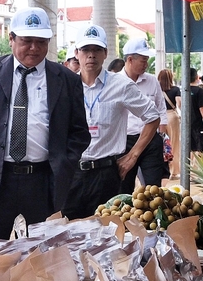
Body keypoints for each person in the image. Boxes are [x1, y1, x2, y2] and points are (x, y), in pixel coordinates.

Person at [0, 7, 91, 254]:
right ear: (12, 39)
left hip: (42, 182)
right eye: (27, 41)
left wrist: (63, 163)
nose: (33, 48)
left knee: (43, 258)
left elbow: (79, 132)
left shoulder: (66, 79)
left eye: (41, 42)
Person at [62, 26, 160, 219]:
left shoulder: (121, 85)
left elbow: (152, 116)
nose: (91, 55)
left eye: (97, 50)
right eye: (85, 50)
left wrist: (133, 156)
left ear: (105, 53)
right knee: (69, 234)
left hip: (106, 174)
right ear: (76, 53)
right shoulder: (64, 86)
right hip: (72, 174)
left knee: (108, 235)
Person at [118, 38, 168, 194]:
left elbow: (160, 107)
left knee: (153, 190)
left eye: (147, 60)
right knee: (123, 187)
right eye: (143, 60)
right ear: (130, 60)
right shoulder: (115, 82)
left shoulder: (152, 81)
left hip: (150, 141)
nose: (146, 64)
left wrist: (163, 133)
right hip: (125, 142)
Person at [159, 69, 181, 179]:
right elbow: (180, 103)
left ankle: (163, 170)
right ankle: (174, 171)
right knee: (174, 144)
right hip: (172, 116)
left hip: (159, 118)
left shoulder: (156, 89)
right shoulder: (175, 89)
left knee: (161, 143)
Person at [189, 68, 203, 154]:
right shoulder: (199, 91)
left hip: (187, 124)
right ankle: (196, 167)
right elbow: (202, 108)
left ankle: (191, 166)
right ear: (197, 77)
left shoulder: (183, 90)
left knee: (191, 149)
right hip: (198, 123)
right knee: (200, 148)